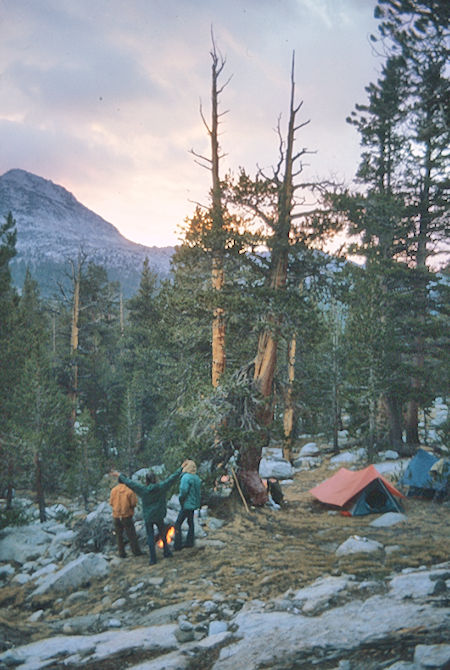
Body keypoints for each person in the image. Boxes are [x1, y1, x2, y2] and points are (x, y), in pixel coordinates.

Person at [110, 465, 182, 565]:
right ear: (155, 479)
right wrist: (181, 469)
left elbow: (130, 483)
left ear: (146, 481)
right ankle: (166, 552)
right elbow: (172, 479)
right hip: (159, 515)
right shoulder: (161, 487)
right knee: (162, 534)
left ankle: (153, 559)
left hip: (148, 517)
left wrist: (119, 475)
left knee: (150, 536)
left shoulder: (143, 490)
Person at [109, 479, 143, 558]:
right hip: (126, 516)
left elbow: (111, 503)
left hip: (116, 516)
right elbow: (133, 503)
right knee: (131, 535)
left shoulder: (113, 490)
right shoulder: (129, 491)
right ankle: (136, 551)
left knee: (119, 536)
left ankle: (121, 553)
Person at [174, 459, 201, 551]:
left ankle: (177, 545)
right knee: (190, 523)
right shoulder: (196, 478)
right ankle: (190, 542)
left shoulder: (186, 478)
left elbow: (183, 491)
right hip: (193, 504)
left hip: (186, 504)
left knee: (177, 524)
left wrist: (181, 500)